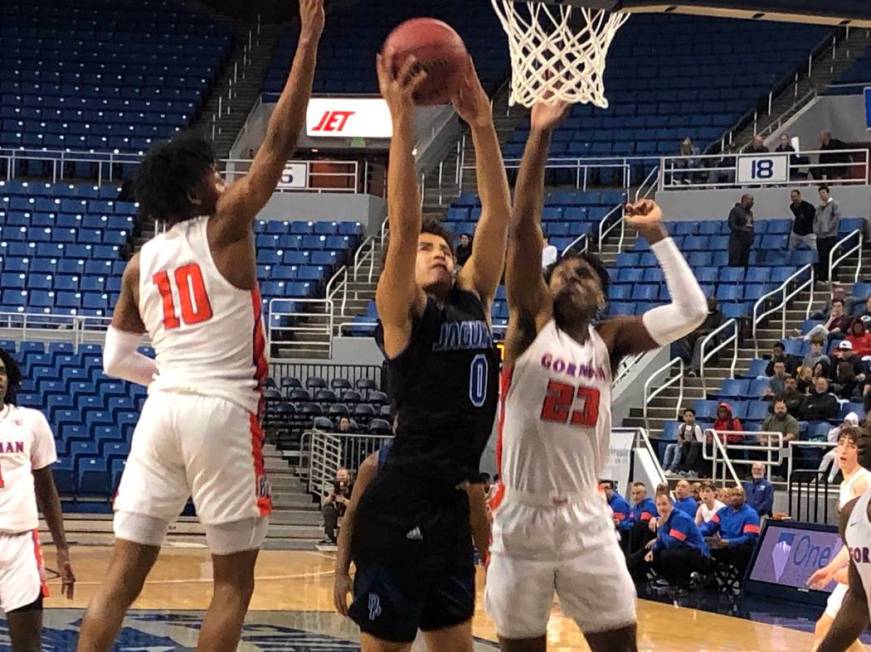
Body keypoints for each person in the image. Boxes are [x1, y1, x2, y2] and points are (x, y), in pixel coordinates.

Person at [74, 3, 325, 650]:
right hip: (222, 411)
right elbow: (281, 138)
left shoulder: (139, 264)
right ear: (194, 193)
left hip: (162, 413)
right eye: (214, 172)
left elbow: (114, 360)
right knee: (232, 586)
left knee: (120, 581)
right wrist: (308, 38)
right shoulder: (227, 224)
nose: (224, 178)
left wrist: (169, 377)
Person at [486, 94, 706, 650]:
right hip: (521, 516)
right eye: (561, 272)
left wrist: (657, 235)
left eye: (584, 273)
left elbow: (693, 313)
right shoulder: (531, 327)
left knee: (619, 645)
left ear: (603, 297)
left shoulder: (608, 342)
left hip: (587, 517)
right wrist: (538, 136)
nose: (570, 278)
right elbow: (521, 230)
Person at [348, 51, 510, 651]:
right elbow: (403, 216)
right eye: (425, 249)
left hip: (453, 502)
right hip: (403, 501)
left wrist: (483, 124)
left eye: (444, 246)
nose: (439, 252)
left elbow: (498, 215)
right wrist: (402, 123)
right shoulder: (402, 309)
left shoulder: (473, 300)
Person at [0, 349, 75, 651]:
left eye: (2, 371)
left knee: (28, 645)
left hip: (20, 544)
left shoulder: (31, 421)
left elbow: (46, 489)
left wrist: (63, 549)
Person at [807, 426, 871, 652]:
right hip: (860, 567)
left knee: (826, 631)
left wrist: (857, 572)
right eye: (841, 443)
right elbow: (854, 540)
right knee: (830, 630)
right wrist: (831, 568)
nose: (844, 450)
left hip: (865, 571)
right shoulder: (847, 483)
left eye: (851, 446)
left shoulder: (863, 483)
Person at [333, 441, 393, 619]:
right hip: (380, 569)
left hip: (426, 567)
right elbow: (350, 517)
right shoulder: (374, 465)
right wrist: (341, 573)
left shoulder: (440, 461)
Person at [628, 490, 710, 589]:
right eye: (658, 505)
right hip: (682, 550)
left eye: (664, 504)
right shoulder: (664, 517)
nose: (661, 507)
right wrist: (652, 550)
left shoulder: (680, 518)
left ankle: (684, 583)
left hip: (698, 554)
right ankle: (634, 572)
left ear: (671, 504)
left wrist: (661, 528)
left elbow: (673, 543)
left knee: (666, 554)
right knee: (649, 551)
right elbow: (663, 541)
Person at [699, 486, 761, 576]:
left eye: (738, 495)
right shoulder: (722, 511)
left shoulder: (751, 514)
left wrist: (729, 542)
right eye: (732, 495)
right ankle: (709, 581)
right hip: (723, 546)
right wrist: (694, 532)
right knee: (697, 548)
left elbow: (749, 537)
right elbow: (709, 527)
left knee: (744, 550)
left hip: (739, 548)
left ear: (745, 498)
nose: (735, 497)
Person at [673, 296, 724, 376]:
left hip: (710, 338)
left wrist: (704, 331)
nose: (712, 304)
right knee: (680, 336)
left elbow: (720, 330)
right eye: (710, 302)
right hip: (695, 336)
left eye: (714, 303)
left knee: (701, 340)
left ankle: (694, 369)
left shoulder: (720, 316)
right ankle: (692, 359)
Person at [760, 399, 799, 481]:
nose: (780, 410)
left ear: (786, 409)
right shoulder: (769, 419)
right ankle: (759, 473)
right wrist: (763, 441)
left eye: (782, 408)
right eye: (778, 408)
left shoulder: (791, 420)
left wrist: (776, 441)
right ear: (774, 409)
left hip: (787, 445)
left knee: (784, 449)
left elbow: (790, 436)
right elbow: (762, 433)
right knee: (756, 448)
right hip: (771, 443)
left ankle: (781, 476)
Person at [819, 413, 862, 483]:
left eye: (848, 422)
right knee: (827, 456)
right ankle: (818, 477)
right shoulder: (842, 430)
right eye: (846, 421)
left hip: (850, 452)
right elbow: (831, 439)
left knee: (838, 457)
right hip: (838, 449)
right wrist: (838, 429)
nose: (846, 423)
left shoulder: (857, 432)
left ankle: (831, 477)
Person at [664, 408, 703, 476]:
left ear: (694, 417)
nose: (688, 418)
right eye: (686, 416)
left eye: (690, 416)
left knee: (678, 448)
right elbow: (679, 436)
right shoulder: (681, 426)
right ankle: (664, 467)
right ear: (684, 417)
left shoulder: (696, 427)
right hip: (683, 444)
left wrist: (688, 441)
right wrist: (680, 441)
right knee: (669, 446)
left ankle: (672, 469)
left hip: (691, 447)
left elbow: (699, 442)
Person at [814, 185, 841, 284]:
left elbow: (836, 218)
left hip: (830, 235)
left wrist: (829, 228)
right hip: (820, 236)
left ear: (828, 193)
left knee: (831, 256)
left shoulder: (834, 204)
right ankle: (823, 277)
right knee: (822, 256)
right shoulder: (819, 207)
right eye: (820, 193)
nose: (822, 195)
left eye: (823, 193)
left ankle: (833, 276)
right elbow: (815, 219)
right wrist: (816, 229)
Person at [321, 467, 353, 545]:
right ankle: (329, 537)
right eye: (339, 476)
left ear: (348, 476)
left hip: (351, 513)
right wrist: (331, 496)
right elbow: (324, 502)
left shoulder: (354, 487)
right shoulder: (336, 486)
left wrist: (343, 500)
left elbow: (355, 505)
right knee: (327, 508)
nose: (340, 478)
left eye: (343, 475)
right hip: (339, 514)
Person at [727, 194, 754, 268]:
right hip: (737, 243)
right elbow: (731, 224)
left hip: (746, 243)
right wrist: (741, 229)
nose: (752, 202)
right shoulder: (736, 211)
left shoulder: (750, 213)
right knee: (735, 263)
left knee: (744, 265)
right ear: (744, 200)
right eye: (750, 200)